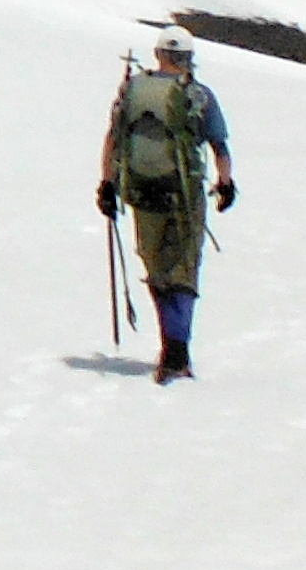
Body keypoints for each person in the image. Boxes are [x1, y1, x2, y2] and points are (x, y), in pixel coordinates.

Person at [96, 27, 237, 382]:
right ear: (189, 58)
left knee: (156, 267)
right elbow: (219, 146)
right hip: (184, 197)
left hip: (142, 193)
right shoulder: (199, 95)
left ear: (158, 54)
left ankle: (171, 348)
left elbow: (114, 138)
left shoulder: (133, 90)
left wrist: (108, 185)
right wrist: (225, 183)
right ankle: (177, 353)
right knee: (183, 272)